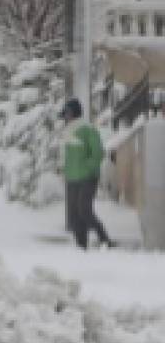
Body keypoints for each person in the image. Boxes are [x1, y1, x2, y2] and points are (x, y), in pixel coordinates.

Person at [59, 98, 113, 250]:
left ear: (75, 112)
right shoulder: (67, 131)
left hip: (87, 177)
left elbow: (98, 153)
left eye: (68, 112)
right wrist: (62, 169)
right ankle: (81, 246)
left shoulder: (88, 129)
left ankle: (104, 239)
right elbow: (65, 155)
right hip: (71, 178)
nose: (66, 116)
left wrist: (87, 168)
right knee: (74, 214)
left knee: (84, 210)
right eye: (65, 113)